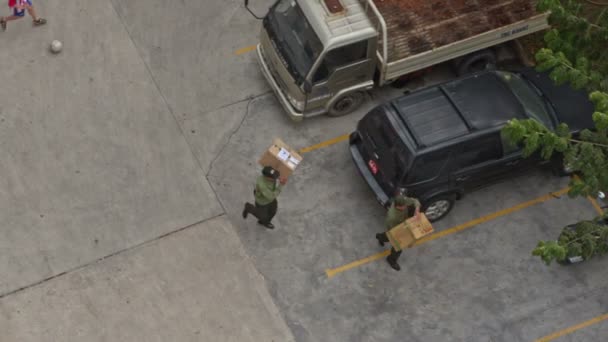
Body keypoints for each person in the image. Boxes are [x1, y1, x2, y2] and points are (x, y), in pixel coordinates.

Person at [375, 193, 421, 271]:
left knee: (386, 237)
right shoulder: (392, 217)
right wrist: (409, 240)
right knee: (397, 248)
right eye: (404, 206)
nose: (406, 206)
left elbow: (415, 201)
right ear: (398, 206)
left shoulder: (403, 201)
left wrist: (417, 210)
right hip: (394, 229)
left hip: (403, 224)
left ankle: (379, 237)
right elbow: (395, 232)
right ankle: (391, 260)